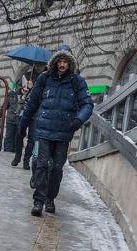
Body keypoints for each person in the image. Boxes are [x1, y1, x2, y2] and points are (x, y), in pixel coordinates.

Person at [18, 45, 93, 217]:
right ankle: (38, 201)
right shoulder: (44, 79)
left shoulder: (77, 82)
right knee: (43, 165)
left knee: (57, 169)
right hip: (44, 129)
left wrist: (78, 119)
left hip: (64, 131)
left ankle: (50, 198)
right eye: (60, 60)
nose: (62, 64)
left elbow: (87, 104)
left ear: (70, 63)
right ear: (54, 62)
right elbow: (32, 103)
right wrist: (23, 124)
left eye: (66, 61)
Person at [4, 83, 27, 166]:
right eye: (24, 89)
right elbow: (5, 105)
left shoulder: (27, 97)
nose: (25, 91)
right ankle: (7, 153)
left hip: (20, 121)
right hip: (11, 119)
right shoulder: (12, 95)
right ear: (21, 88)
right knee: (9, 136)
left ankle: (15, 153)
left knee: (17, 138)